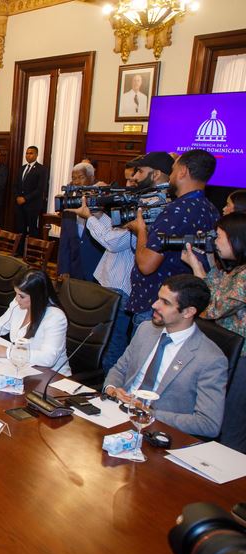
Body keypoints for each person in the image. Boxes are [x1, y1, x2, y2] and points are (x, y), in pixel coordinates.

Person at [103, 274, 227, 438]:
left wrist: (148, 413)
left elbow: (208, 424)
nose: (154, 305)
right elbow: (120, 369)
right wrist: (112, 389)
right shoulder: (146, 329)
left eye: (166, 303)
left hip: (158, 432)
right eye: (158, 298)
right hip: (115, 415)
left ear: (188, 312)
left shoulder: (210, 359)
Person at [126, 150, 220, 331]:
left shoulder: (176, 211)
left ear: (183, 171)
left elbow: (146, 265)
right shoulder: (210, 208)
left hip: (156, 303)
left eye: (174, 170)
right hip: (180, 305)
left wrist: (141, 230)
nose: (170, 175)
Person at [182, 212, 246, 451]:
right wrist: (204, 263)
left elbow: (211, 307)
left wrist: (196, 267)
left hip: (243, 358)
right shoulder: (231, 270)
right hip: (226, 352)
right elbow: (212, 290)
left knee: (231, 423)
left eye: (219, 237)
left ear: (236, 240)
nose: (214, 242)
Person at [64, 194, 135, 372]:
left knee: (113, 341)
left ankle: (108, 381)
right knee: (102, 337)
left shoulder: (145, 218)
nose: (129, 185)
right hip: (107, 282)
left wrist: (89, 217)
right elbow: (112, 231)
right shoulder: (129, 214)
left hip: (121, 288)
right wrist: (99, 215)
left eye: (133, 181)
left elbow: (112, 241)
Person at [0, 268, 70, 374]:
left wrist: (9, 352)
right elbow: (0, 324)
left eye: (22, 296)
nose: (17, 299)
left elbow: (48, 358)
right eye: (16, 294)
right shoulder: (19, 303)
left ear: (37, 297)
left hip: (51, 376)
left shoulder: (55, 317)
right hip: (22, 369)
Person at [57, 163, 106, 282]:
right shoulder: (69, 201)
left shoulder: (103, 200)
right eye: (74, 178)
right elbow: (65, 239)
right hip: (74, 267)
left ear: (92, 178)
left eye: (81, 177)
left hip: (97, 268)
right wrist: (64, 269)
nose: (77, 182)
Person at [13, 146, 49, 241]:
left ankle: (30, 249)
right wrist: (17, 197)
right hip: (20, 205)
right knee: (20, 228)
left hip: (32, 205)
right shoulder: (22, 168)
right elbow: (15, 185)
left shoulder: (42, 169)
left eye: (31, 153)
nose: (28, 155)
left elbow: (40, 189)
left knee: (32, 229)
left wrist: (25, 198)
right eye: (27, 153)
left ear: (36, 155)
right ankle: (20, 248)